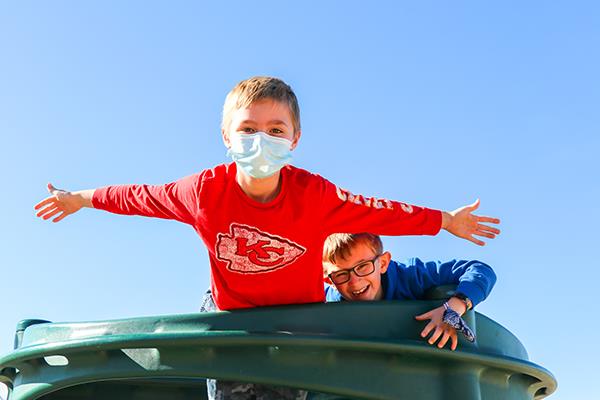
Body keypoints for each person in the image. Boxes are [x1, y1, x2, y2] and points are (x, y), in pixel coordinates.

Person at [34, 76, 500, 398]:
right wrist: (80, 197)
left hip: (294, 322)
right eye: (248, 129)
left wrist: (445, 220)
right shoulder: (202, 192)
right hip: (232, 316)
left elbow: (376, 210)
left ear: (295, 138)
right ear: (226, 136)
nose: (261, 140)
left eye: (276, 130)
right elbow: (138, 195)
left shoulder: (312, 194)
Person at [322, 233, 496, 351]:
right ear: (327, 278)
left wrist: (455, 306)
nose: (354, 281)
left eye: (363, 266)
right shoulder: (326, 304)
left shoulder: (411, 275)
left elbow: (479, 269)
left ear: (382, 263)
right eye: (341, 274)